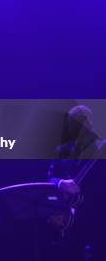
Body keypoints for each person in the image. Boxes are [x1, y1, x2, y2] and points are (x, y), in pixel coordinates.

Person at [45, 105, 105, 260]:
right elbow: (49, 177)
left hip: (97, 212)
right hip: (67, 216)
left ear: (89, 123)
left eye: (81, 122)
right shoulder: (62, 150)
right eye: (73, 123)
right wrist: (61, 183)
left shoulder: (101, 147)